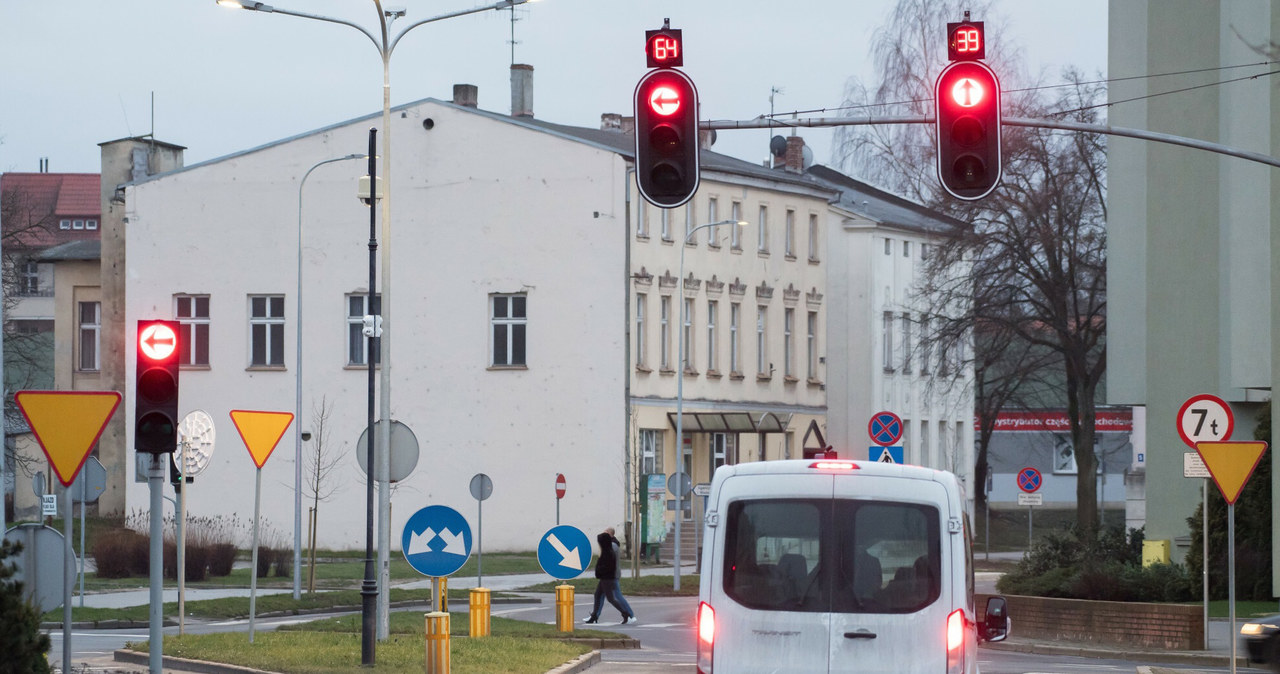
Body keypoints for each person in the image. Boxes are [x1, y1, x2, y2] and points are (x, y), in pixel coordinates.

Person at [583, 527, 636, 625]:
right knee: (599, 595)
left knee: (614, 598)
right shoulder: (608, 547)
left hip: (610, 577)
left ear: (610, 535)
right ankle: (594, 616)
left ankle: (628, 614)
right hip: (606, 577)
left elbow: (608, 565)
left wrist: (600, 572)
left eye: (605, 533)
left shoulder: (612, 547)